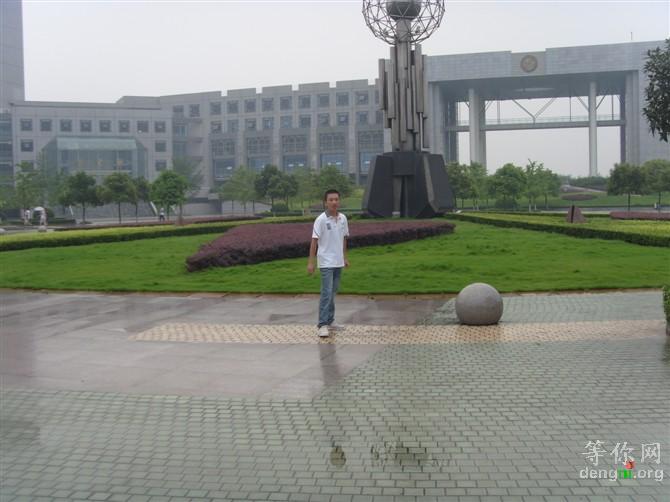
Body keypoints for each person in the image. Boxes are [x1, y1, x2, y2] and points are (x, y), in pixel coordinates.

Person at [307, 189, 349, 337]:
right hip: (326, 262)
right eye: (331, 200)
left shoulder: (343, 218)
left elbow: (344, 239)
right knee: (326, 293)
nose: (334, 202)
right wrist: (311, 262)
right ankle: (322, 324)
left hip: (338, 262)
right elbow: (314, 241)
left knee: (333, 292)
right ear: (326, 202)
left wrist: (345, 257)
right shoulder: (321, 220)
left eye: (336, 199)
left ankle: (330, 321)